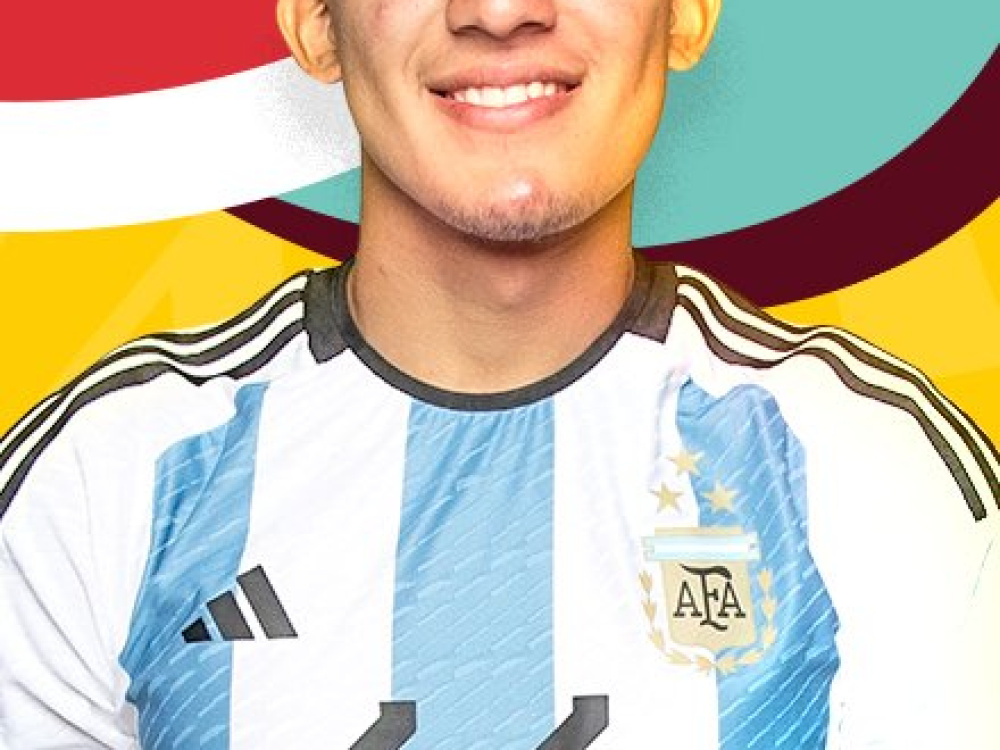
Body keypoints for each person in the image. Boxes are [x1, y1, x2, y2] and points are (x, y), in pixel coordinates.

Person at [1, 0, 997, 747]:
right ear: (313, 22)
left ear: (688, 13)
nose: (501, 10)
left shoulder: (871, 467)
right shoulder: (101, 482)